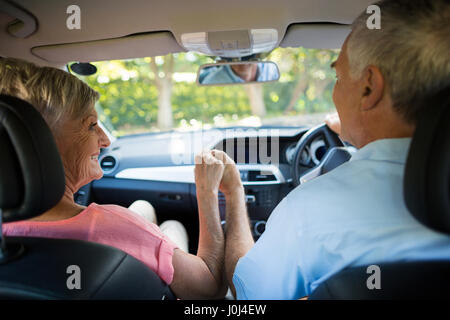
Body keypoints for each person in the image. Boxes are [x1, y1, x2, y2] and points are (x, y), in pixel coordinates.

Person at [206, 0, 450, 299]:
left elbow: (250, 296)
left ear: (369, 89)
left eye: (338, 77)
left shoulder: (312, 210)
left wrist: (234, 195)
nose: (335, 90)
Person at [0, 58, 227, 300]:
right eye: (91, 126)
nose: (106, 140)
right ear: (40, 142)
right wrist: (208, 190)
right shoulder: (114, 227)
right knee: (172, 227)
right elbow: (209, 288)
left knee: (143, 208)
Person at [199, 62, 279, 84]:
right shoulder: (212, 81)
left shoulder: (271, 70)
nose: (241, 59)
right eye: (234, 55)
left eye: (248, 54)